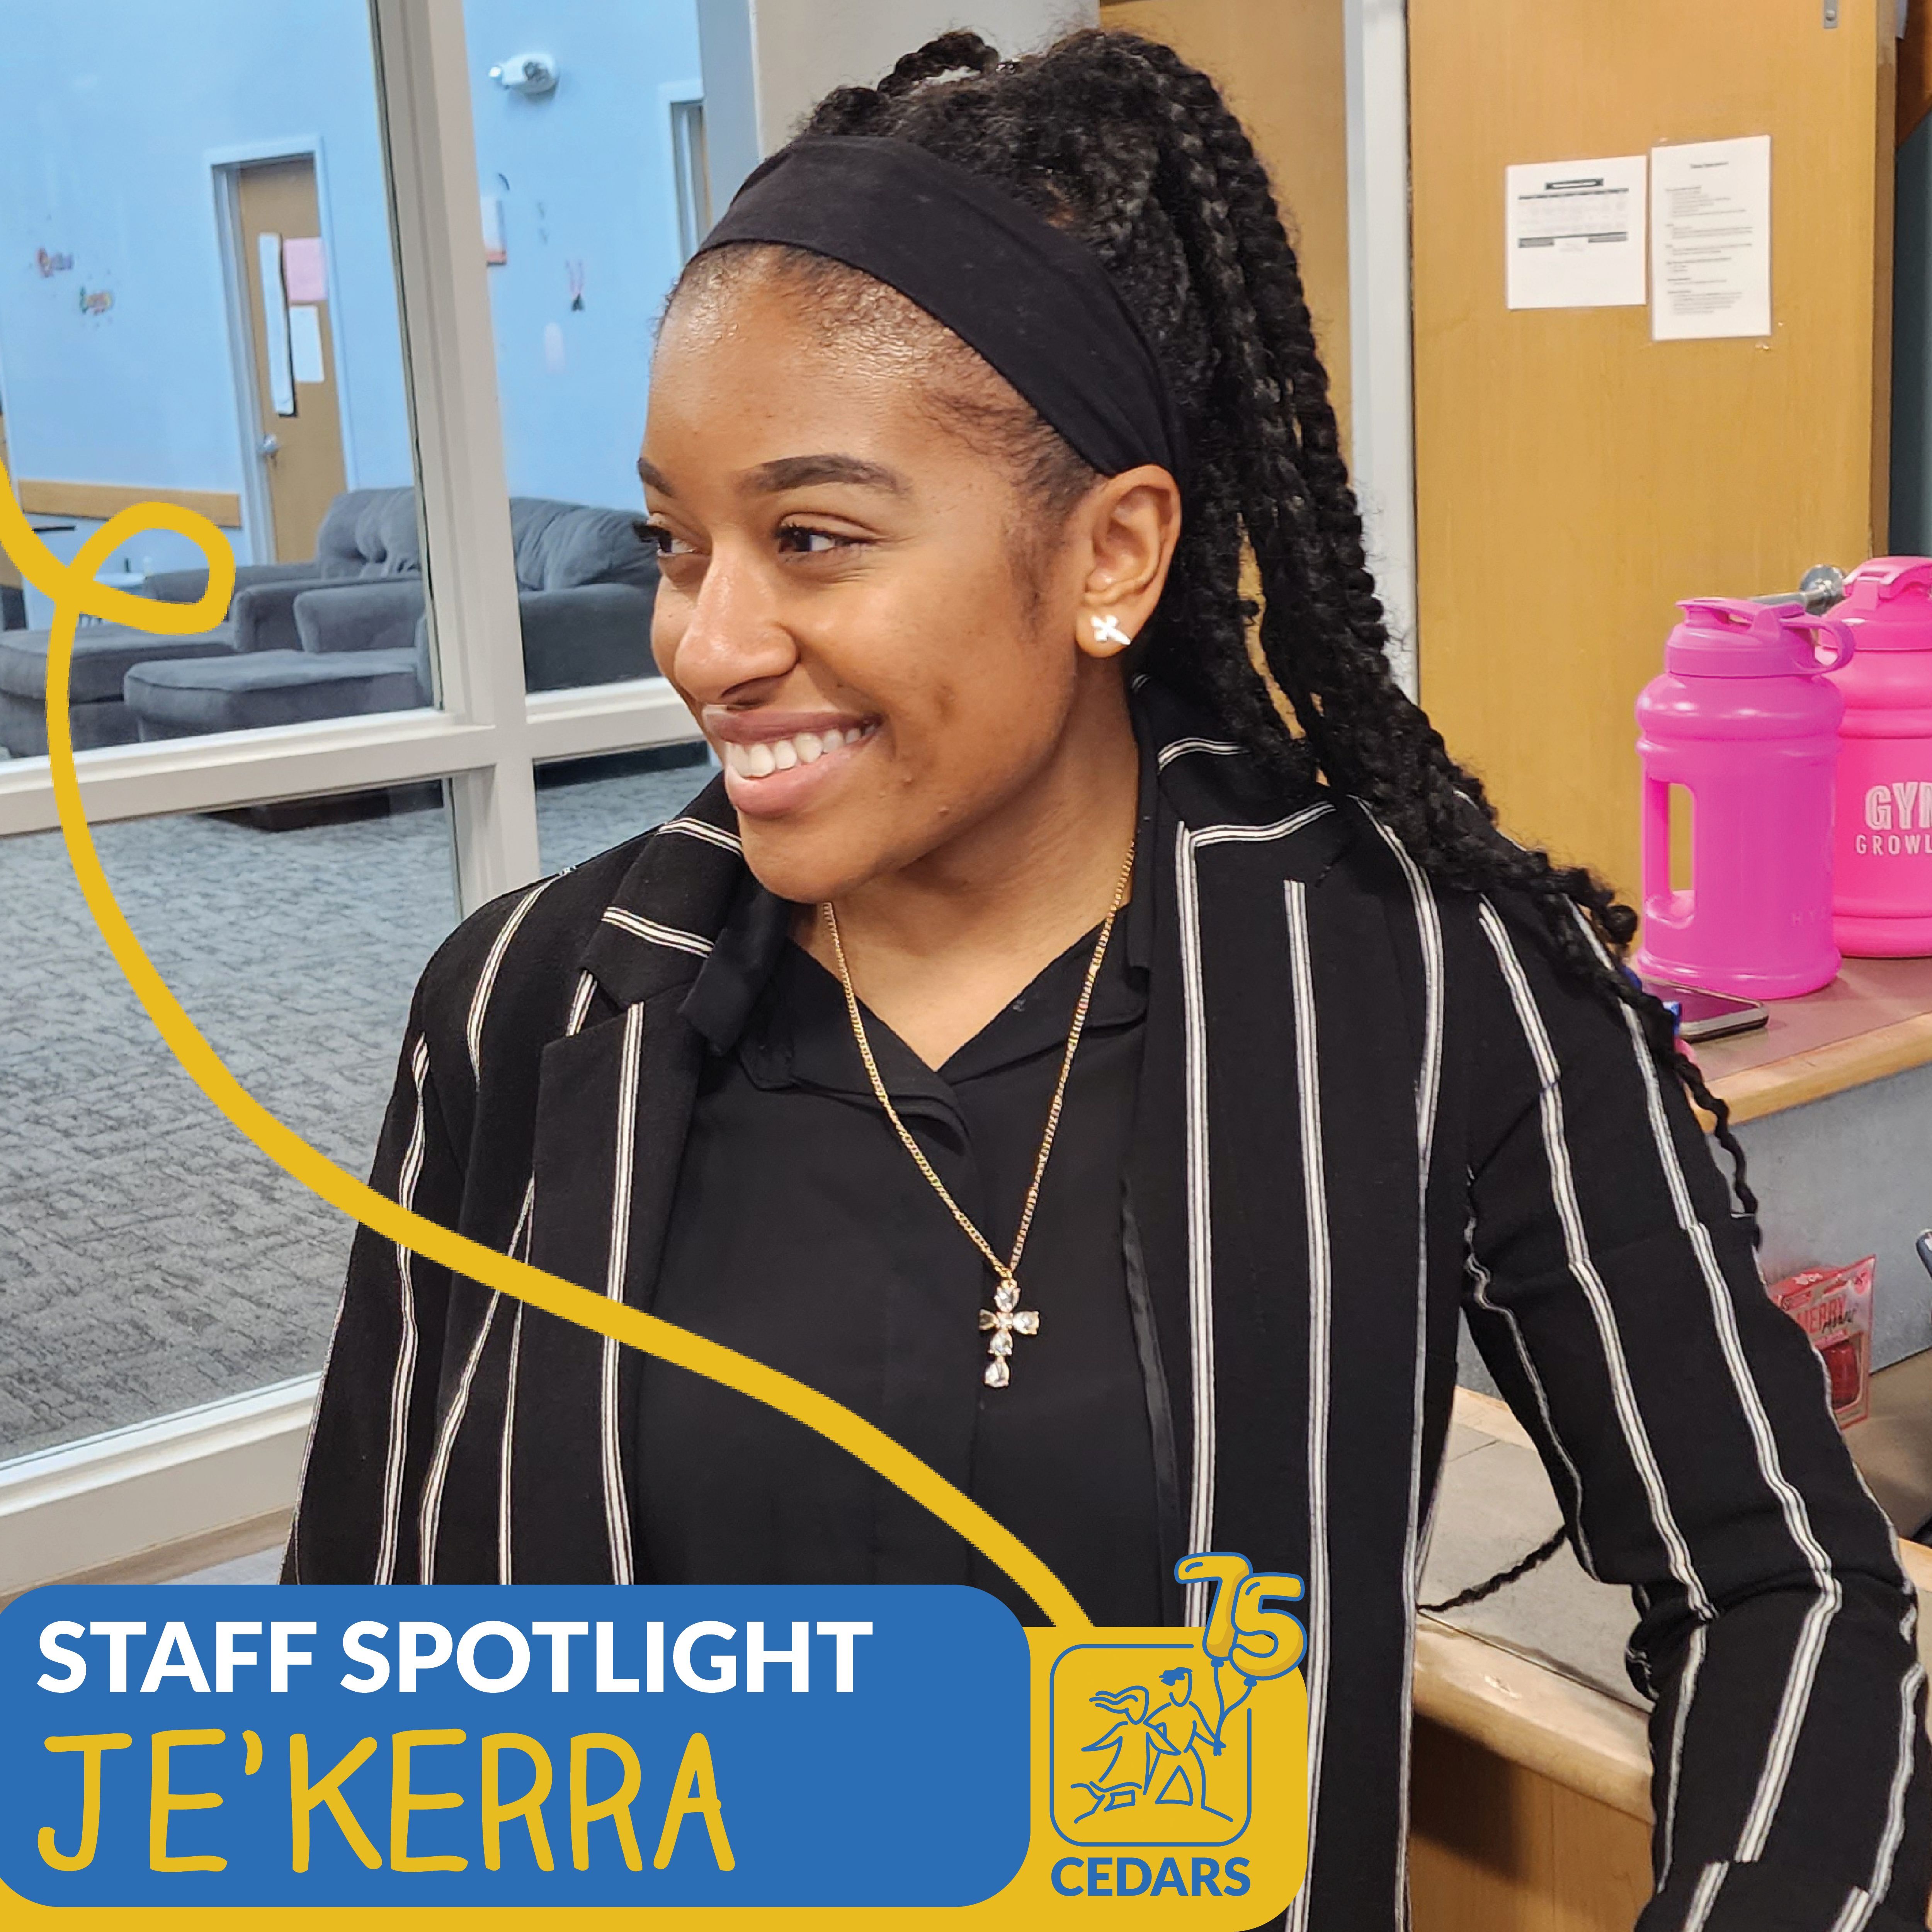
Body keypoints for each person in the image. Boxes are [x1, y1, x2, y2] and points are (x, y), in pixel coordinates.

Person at [285, 27, 1929, 1929]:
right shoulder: (531, 1009)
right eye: (676, 542)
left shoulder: (1421, 985)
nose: (706, 640)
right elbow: (368, 1660)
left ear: (1112, 553)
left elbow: (1777, 1587)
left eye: (811, 538)